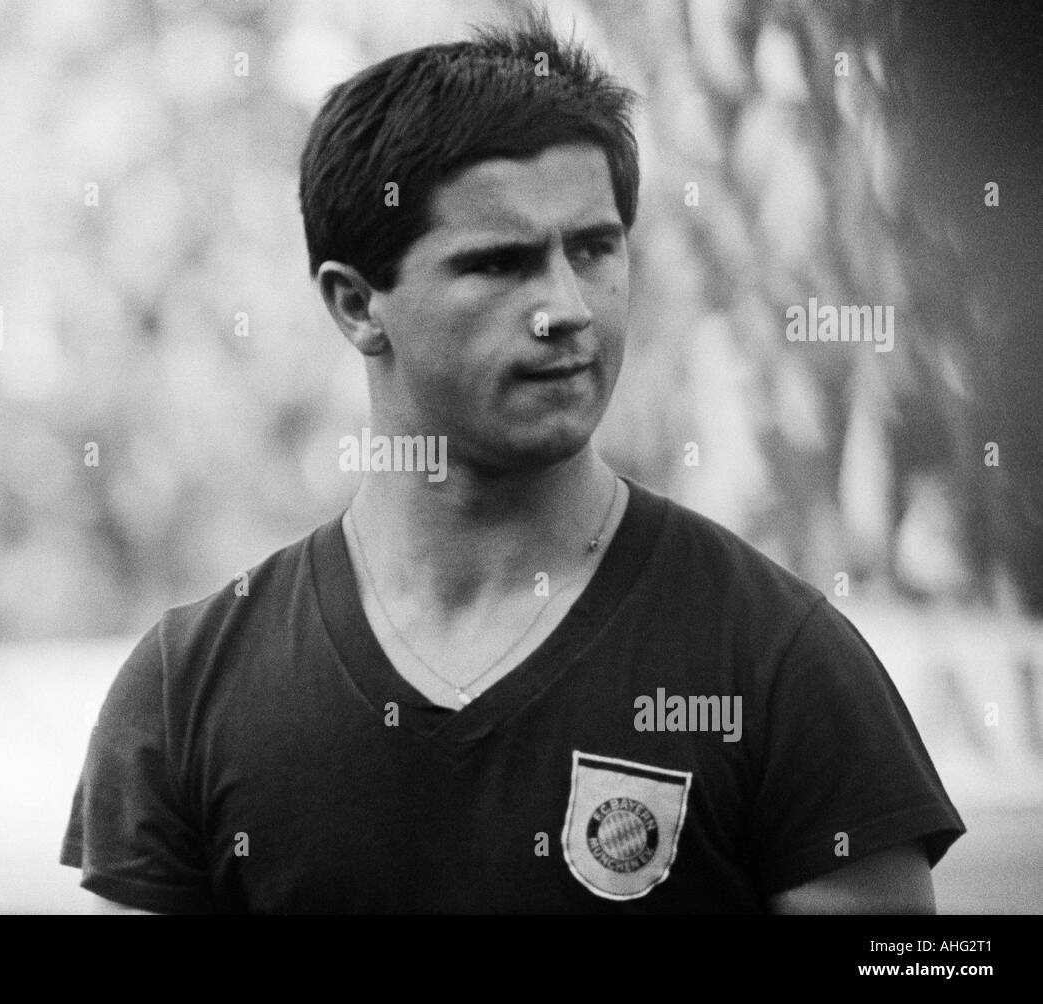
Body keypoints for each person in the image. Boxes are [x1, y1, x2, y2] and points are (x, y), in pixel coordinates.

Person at [60, 7, 964, 914]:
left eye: (594, 248)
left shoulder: (780, 663)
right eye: (500, 264)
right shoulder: (189, 691)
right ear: (355, 304)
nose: (566, 307)